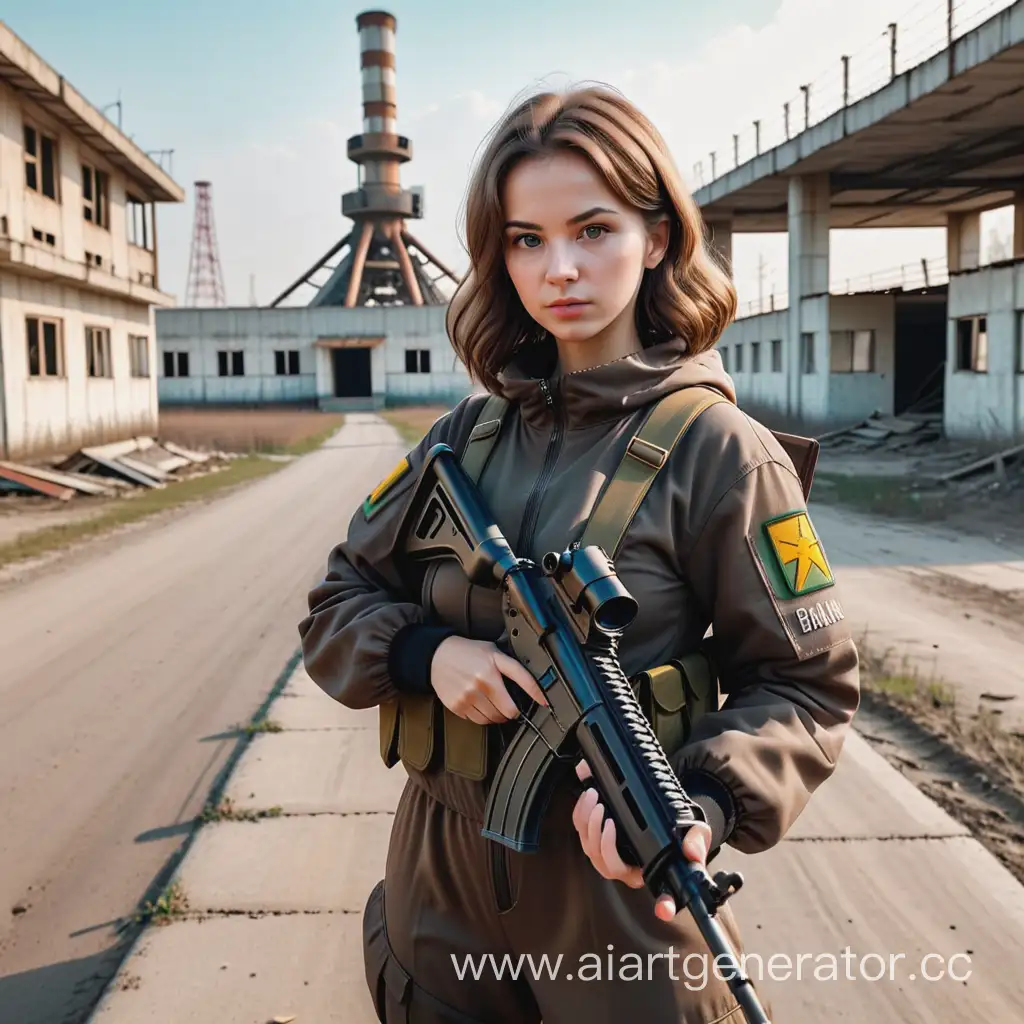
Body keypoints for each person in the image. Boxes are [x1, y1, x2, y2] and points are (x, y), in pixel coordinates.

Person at [299, 85, 860, 1024]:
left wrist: (707, 804)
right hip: (438, 886)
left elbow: (808, 686)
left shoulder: (723, 452)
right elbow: (336, 601)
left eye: (592, 229)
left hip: (614, 906)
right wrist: (423, 655)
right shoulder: (461, 441)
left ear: (658, 237)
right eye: (526, 239)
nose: (559, 267)